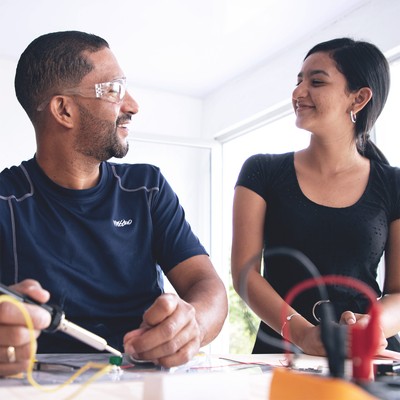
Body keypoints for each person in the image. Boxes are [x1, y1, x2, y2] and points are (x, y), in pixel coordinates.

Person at [0, 30, 227, 377]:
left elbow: (207, 287)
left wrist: (191, 324)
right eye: (114, 90)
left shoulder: (147, 188)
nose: (132, 105)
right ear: (64, 110)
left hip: (146, 382)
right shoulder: (5, 200)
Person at [231, 38, 400, 356]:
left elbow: (398, 292)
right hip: (282, 349)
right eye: (298, 81)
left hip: (365, 353)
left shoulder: (394, 183)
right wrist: (303, 334)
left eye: (316, 81)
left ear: (359, 98)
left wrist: (371, 326)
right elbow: (245, 273)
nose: (298, 93)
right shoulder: (262, 170)